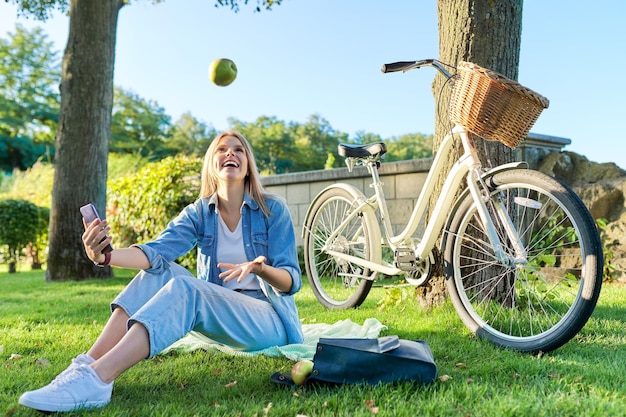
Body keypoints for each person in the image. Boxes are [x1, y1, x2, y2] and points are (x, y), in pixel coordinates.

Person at [19, 131, 303, 412]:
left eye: (238, 149)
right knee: (160, 271)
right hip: (220, 317)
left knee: (188, 289)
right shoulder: (199, 213)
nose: (230, 153)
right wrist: (103, 257)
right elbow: (154, 252)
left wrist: (260, 269)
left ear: (248, 162)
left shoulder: (271, 209)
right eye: (222, 149)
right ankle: (85, 365)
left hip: (268, 321)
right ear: (211, 164)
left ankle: (98, 378)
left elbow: (291, 281)